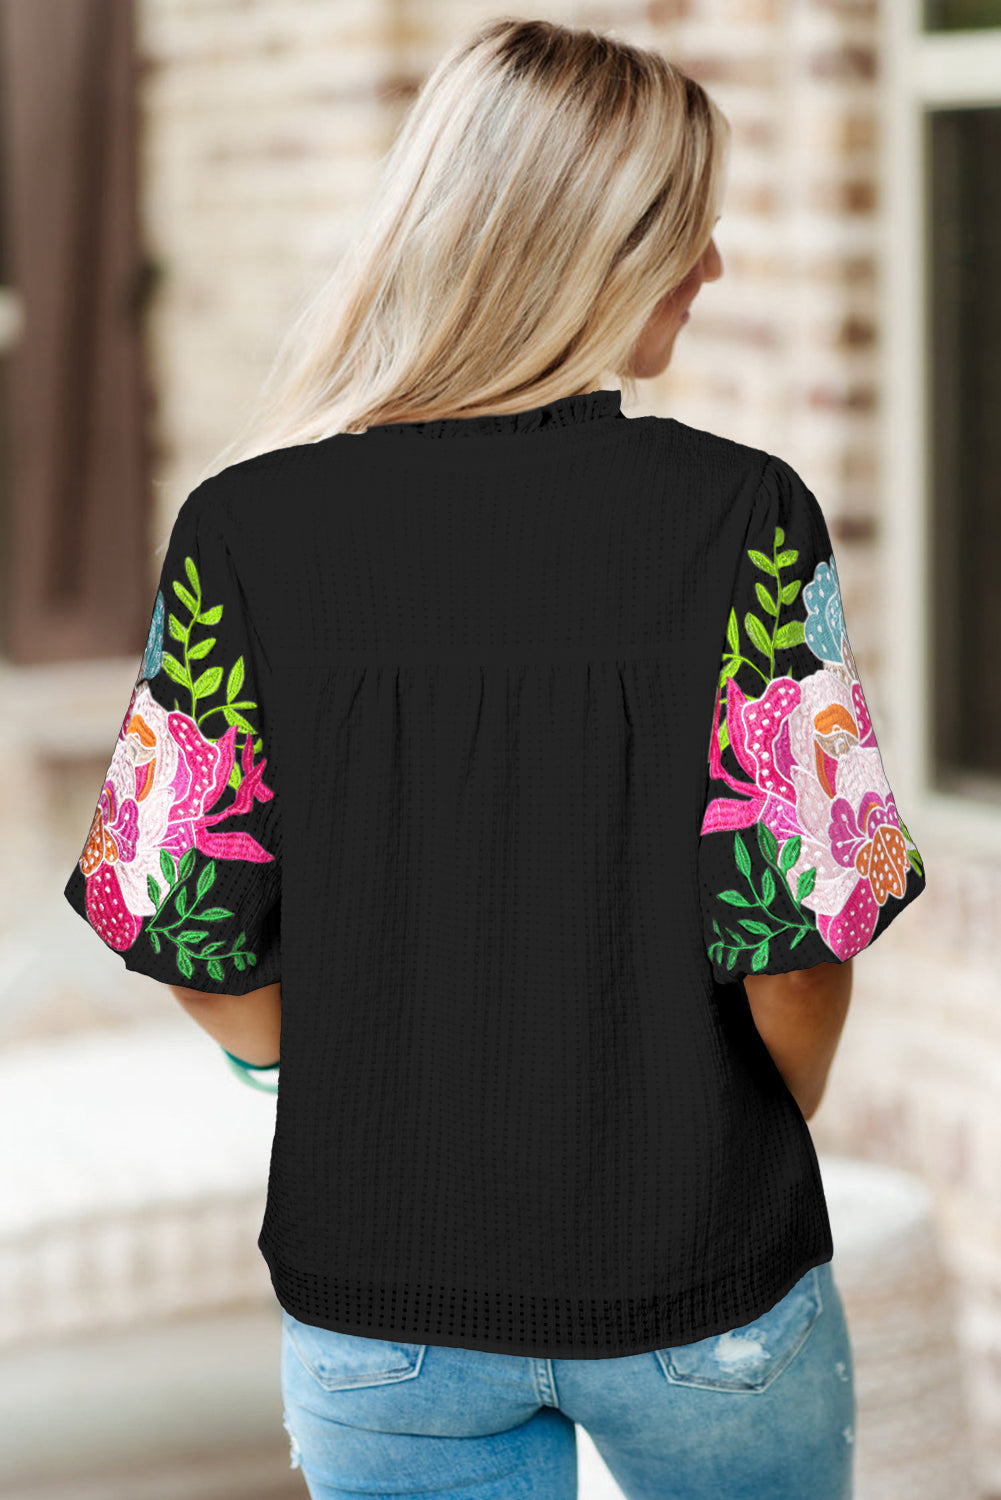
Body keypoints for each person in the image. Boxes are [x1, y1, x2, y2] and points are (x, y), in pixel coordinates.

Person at [62, 17, 927, 1499]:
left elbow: (182, 931)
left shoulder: (241, 533)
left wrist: (322, 1074)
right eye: (689, 227)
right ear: (599, 250)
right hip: (704, 1291)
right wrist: (737, 1138)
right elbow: (798, 947)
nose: (715, 267)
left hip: (377, 1311)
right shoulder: (747, 523)